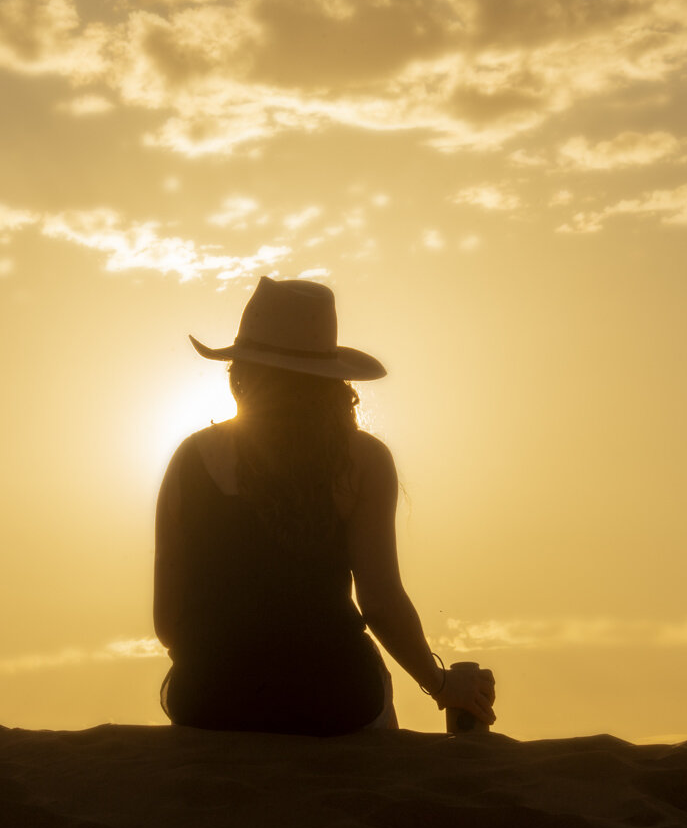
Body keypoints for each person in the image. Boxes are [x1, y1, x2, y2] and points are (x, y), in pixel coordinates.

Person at [153, 276, 496, 736]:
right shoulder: (363, 461)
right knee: (377, 696)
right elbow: (380, 603)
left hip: (207, 702)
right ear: (331, 382)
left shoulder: (189, 459)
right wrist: (440, 685)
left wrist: (231, 665)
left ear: (239, 373)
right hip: (332, 698)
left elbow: (168, 624)